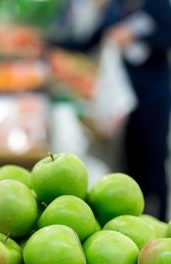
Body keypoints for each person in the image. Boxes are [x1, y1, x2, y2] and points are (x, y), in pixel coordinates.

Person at [57, 0, 171, 221]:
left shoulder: (156, 5)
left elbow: (167, 37)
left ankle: (160, 222)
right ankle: (133, 217)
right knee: (130, 159)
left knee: (154, 160)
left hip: (153, 97)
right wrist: (50, 43)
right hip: (123, 101)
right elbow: (90, 41)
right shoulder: (115, 7)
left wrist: (136, 37)